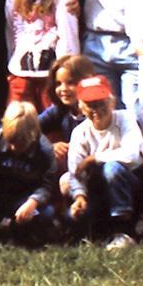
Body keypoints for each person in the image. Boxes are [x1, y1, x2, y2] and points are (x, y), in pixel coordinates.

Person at [66, 76, 143, 250]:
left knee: (112, 168)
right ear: (81, 106)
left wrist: (95, 158)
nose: (96, 110)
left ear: (112, 102)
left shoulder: (125, 119)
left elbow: (133, 154)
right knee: (73, 217)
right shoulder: (80, 132)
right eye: (90, 104)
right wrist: (79, 196)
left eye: (101, 103)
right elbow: (75, 171)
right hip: (98, 188)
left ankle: (123, 230)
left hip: (131, 186)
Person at [0, 101, 58, 246]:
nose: (14, 147)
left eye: (21, 143)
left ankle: (18, 230)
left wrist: (33, 202)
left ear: (34, 134)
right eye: (10, 141)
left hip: (24, 198)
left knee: (47, 213)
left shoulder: (44, 151)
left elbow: (47, 185)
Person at [4, 0, 79, 112]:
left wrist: (67, 75)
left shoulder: (63, 1)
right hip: (20, 74)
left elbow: (69, 41)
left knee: (52, 126)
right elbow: (11, 35)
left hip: (51, 76)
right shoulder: (14, 0)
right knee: (19, 122)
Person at [39, 54, 93, 189]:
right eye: (58, 84)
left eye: (70, 83)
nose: (63, 89)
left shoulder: (98, 111)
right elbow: (28, 129)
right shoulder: (60, 110)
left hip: (96, 168)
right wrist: (50, 146)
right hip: (72, 173)